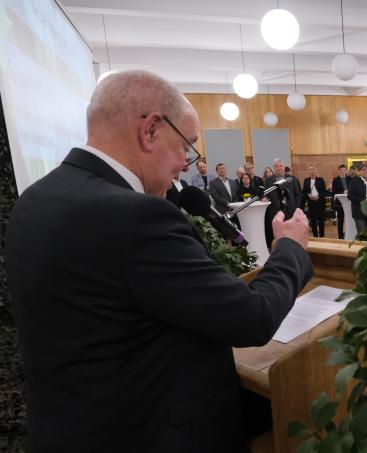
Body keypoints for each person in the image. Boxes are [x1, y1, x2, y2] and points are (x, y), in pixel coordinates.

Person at [5, 70, 313, 452]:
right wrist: (291, 248)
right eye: (187, 145)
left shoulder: (35, 199)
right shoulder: (134, 217)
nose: (186, 163)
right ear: (150, 130)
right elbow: (253, 318)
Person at [302, 165, 326, 237]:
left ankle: (321, 236)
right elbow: (304, 191)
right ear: (308, 171)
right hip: (311, 202)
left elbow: (324, 191)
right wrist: (309, 195)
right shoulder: (306, 180)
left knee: (321, 220)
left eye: (313, 169)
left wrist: (318, 196)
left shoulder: (320, 179)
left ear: (316, 170)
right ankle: (315, 235)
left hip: (320, 202)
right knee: (313, 220)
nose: (312, 171)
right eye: (310, 169)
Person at [331, 164, 351, 240]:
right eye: (341, 170)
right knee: (340, 220)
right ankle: (340, 236)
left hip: (349, 203)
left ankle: (350, 233)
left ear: (346, 171)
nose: (343, 171)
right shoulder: (335, 180)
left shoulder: (350, 179)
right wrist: (343, 191)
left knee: (350, 219)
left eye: (344, 170)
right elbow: (334, 192)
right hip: (340, 203)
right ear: (339, 171)